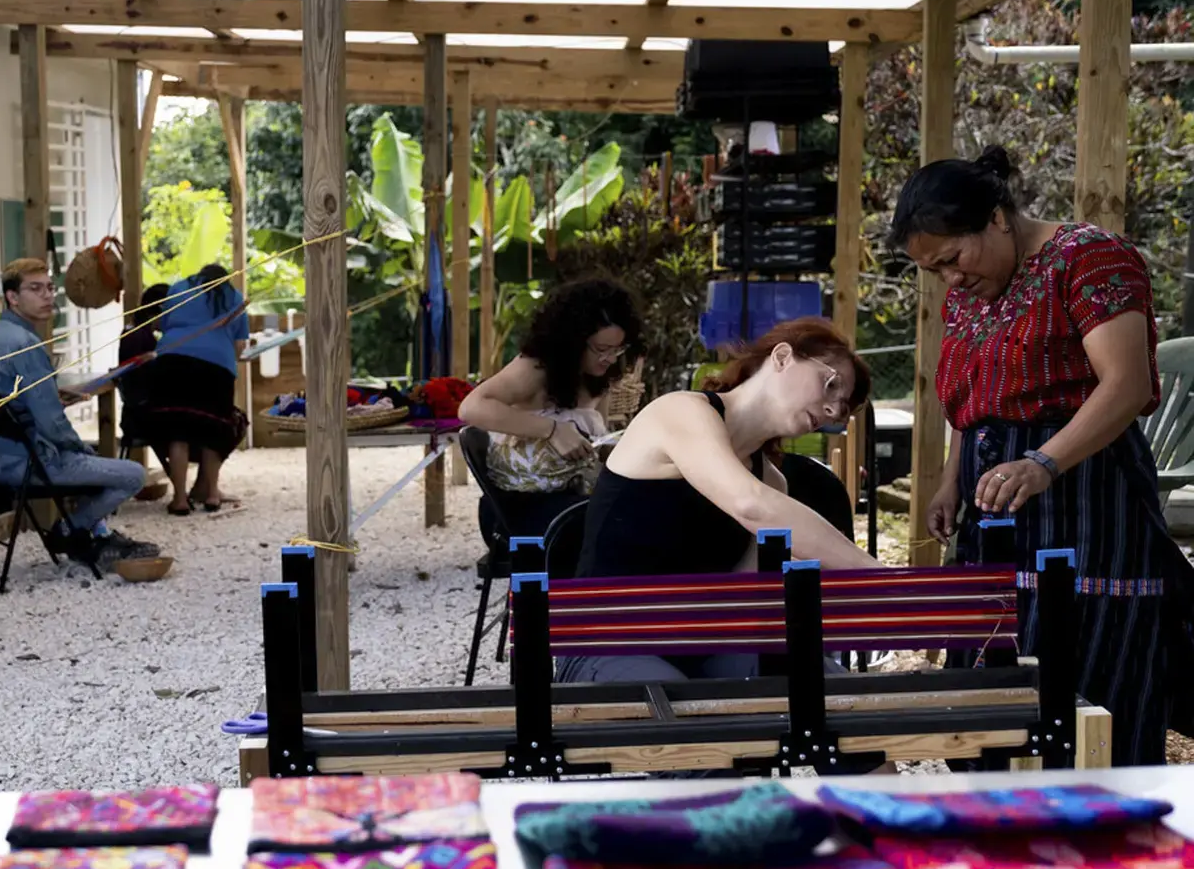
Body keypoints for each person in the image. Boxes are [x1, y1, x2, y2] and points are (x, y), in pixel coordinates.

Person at [891, 144, 1194, 767]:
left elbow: (1126, 384)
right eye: (935, 270)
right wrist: (952, 478)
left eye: (953, 257)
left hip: (1087, 494)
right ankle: (999, 828)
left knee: (1087, 674)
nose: (950, 277)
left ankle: (1103, 835)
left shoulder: (1089, 259)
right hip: (994, 503)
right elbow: (974, 399)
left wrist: (1045, 463)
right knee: (992, 670)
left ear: (998, 217)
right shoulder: (969, 293)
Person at [559, 317, 882, 687]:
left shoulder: (772, 481)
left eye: (842, 409)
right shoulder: (679, 412)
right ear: (781, 357)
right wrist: (882, 579)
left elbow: (744, 594)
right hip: (607, 641)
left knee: (828, 689)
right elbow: (750, 505)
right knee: (685, 715)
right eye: (830, 385)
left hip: (701, 646)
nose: (831, 411)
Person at [0, 258, 157, 568]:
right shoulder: (26, 345)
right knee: (133, 474)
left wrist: (51, 401)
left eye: (49, 288)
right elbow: (52, 426)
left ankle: (93, 535)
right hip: (32, 464)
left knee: (90, 458)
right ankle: (69, 530)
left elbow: (13, 403)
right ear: (12, 297)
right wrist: (80, 448)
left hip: (0, 460)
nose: (47, 296)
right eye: (35, 289)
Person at [458, 277, 643, 536]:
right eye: (601, 349)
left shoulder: (598, 376)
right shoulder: (535, 368)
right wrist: (553, 430)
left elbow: (597, 444)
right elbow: (471, 408)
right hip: (523, 507)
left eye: (617, 349)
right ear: (574, 340)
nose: (610, 359)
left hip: (573, 498)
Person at [149, 264, 250, 515]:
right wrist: (224, 356)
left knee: (178, 433)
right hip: (217, 368)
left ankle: (180, 499)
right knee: (213, 432)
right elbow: (240, 344)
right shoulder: (234, 297)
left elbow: (163, 325)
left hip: (173, 361)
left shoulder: (179, 288)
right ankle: (212, 495)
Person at [117, 282, 169, 452]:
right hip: (144, 418)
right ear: (161, 309)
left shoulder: (137, 330)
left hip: (137, 415)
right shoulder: (138, 335)